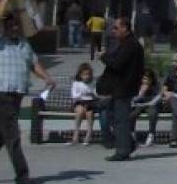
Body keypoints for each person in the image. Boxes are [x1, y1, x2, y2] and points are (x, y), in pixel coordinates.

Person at [0, 10, 53, 184]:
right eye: (10, 25)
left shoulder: (24, 44)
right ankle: (22, 176)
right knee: (13, 134)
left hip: (17, 94)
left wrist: (47, 78)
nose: (14, 28)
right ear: (4, 26)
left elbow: (33, 64)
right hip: (1, 94)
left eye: (16, 25)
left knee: (1, 135)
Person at [99, 15, 145, 160]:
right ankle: (128, 143)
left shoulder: (131, 45)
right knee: (112, 114)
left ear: (125, 28)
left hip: (124, 87)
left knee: (121, 119)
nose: (114, 31)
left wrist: (104, 57)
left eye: (116, 28)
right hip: (119, 87)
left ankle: (123, 151)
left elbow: (118, 64)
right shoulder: (125, 43)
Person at [130, 69, 163, 146]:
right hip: (140, 104)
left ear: (151, 79)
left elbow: (153, 102)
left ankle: (151, 134)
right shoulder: (138, 85)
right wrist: (140, 94)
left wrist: (140, 104)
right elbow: (133, 99)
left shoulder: (156, 86)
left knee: (152, 114)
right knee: (132, 114)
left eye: (146, 79)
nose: (144, 81)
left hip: (152, 105)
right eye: (143, 79)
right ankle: (132, 134)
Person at [69, 63, 99, 144]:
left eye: (88, 74)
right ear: (80, 75)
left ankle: (89, 134)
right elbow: (74, 96)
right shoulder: (76, 83)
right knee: (80, 111)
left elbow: (96, 94)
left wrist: (93, 93)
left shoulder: (92, 83)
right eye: (84, 74)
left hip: (90, 102)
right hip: (79, 102)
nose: (87, 77)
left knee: (89, 113)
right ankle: (76, 134)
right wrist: (82, 93)